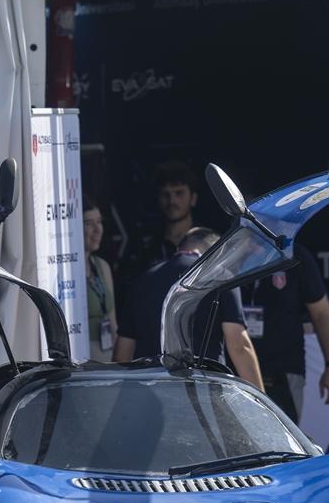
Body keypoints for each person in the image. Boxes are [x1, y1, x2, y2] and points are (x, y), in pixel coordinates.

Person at [113, 227, 265, 391]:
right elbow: (239, 345)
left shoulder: (143, 280)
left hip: (150, 392)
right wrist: (262, 402)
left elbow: (122, 354)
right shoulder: (221, 276)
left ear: (179, 249)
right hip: (204, 392)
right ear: (217, 254)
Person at [243, 242, 329, 422]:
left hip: (284, 374)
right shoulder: (228, 253)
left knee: (285, 444)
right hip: (235, 373)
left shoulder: (294, 255)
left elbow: (322, 314)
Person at [115, 160, 200, 312]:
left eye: (179, 193)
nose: (172, 201)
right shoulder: (144, 247)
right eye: (165, 194)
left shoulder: (209, 242)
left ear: (193, 198)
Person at [84, 198, 117, 361]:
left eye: (99, 222)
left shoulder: (102, 266)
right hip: (83, 362)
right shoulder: (69, 270)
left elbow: (112, 321)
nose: (98, 229)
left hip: (108, 358)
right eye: (89, 223)